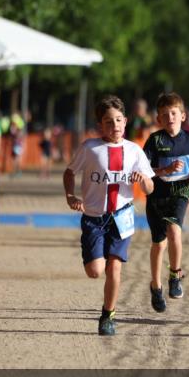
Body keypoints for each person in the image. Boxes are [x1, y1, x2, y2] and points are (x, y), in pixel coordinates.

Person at [64, 96, 154, 336]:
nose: (114, 125)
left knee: (115, 268)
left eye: (118, 120)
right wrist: (70, 196)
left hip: (122, 216)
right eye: (108, 121)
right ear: (100, 125)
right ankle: (95, 254)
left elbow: (150, 188)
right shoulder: (90, 148)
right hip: (94, 217)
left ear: (125, 121)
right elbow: (70, 172)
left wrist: (142, 181)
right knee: (95, 271)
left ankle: (108, 315)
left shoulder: (134, 151)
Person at [143, 92, 189, 311]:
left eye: (173, 113)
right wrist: (164, 169)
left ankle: (175, 275)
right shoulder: (155, 140)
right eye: (164, 115)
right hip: (158, 193)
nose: (169, 118)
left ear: (182, 116)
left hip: (181, 190)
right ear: (158, 120)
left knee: (174, 231)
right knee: (159, 243)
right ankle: (156, 286)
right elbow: (144, 169)